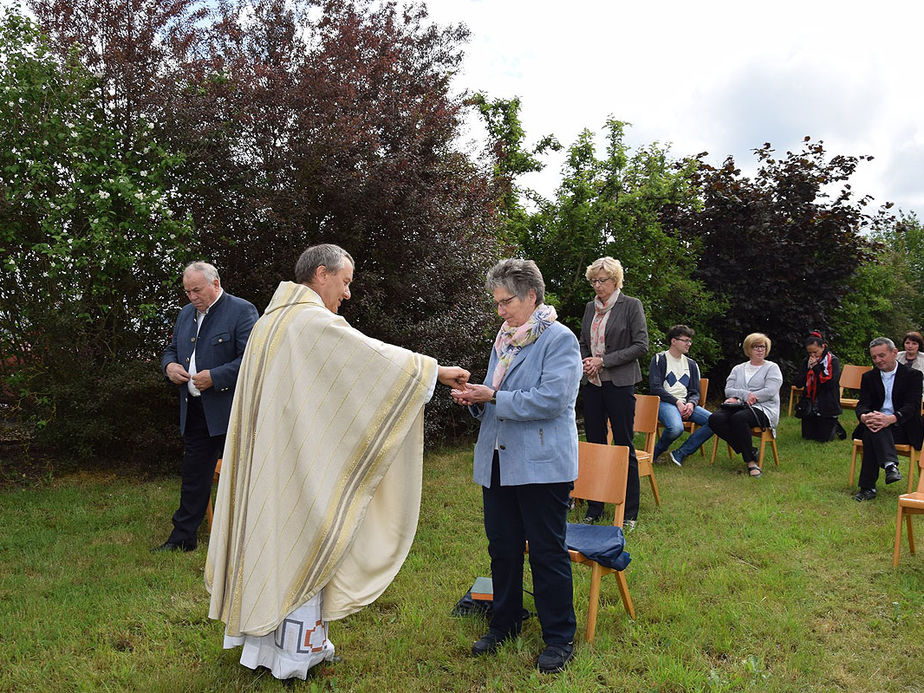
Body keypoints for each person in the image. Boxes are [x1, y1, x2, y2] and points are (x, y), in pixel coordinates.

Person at [205, 244, 469, 680]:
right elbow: (370, 358)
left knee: (271, 541)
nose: (347, 293)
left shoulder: (272, 322)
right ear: (322, 274)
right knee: (302, 535)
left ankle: (263, 649)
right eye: (345, 282)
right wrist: (434, 371)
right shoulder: (308, 322)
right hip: (293, 463)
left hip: (274, 458)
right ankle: (293, 658)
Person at [450, 258, 581, 675]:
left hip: (543, 465)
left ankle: (559, 637)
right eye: (497, 303)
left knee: (546, 552)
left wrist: (491, 397)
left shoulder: (560, 339)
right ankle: (504, 623)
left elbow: (551, 400)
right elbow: (497, 394)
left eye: (506, 302)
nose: (500, 311)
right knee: (503, 550)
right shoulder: (505, 338)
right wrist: (475, 397)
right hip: (498, 461)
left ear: (531, 297)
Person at [155, 262, 259, 552]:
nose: (191, 297)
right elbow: (172, 350)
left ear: (215, 284)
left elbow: (252, 359)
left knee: (244, 475)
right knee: (194, 476)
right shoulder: (185, 314)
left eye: (197, 290)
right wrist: (170, 366)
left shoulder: (242, 311)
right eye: (187, 291)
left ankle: (249, 538)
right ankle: (183, 538)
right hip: (196, 411)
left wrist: (215, 377)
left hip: (232, 411)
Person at [579, 256, 648, 528]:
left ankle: (629, 511)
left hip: (619, 384)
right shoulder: (589, 308)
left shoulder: (631, 305)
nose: (597, 285)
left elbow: (641, 345)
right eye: (593, 280)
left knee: (623, 445)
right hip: (593, 385)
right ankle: (595, 508)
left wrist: (603, 361)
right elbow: (584, 341)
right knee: (595, 445)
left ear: (616, 280)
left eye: (602, 280)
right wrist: (587, 360)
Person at [852, 337, 924, 502]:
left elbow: (912, 406)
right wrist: (864, 417)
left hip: (903, 426)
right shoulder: (869, 377)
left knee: (873, 431)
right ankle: (890, 465)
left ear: (894, 353)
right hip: (877, 423)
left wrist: (891, 418)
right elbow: (862, 404)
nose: (878, 360)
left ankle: (867, 488)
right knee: (874, 427)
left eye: (882, 355)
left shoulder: (913, 375)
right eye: (874, 357)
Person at [707, 333, 782, 478]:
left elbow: (770, 391)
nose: (760, 350)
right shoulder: (738, 368)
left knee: (739, 419)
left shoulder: (772, 368)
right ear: (748, 349)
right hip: (738, 406)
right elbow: (728, 390)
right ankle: (750, 450)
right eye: (756, 347)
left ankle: (751, 462)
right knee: (714, 419)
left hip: (764, 408)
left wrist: (748, 397)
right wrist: (744, 396)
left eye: (763, 347)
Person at [649, 324, 714, 466]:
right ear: (673, 341)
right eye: (685, 340)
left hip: (686, 404)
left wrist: (691, 403)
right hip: (665, 403)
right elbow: (655, 388)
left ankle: (681, 453)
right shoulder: (660, 359)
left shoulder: (691, 364)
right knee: (676, 428)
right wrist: (677, 402)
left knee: (715, 421)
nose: (689, 344)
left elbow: (695, 391)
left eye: (690, 341)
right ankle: (654, 453)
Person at [795, 331, 846, 442]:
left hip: (827, 401)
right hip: (810, 402)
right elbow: (798, 383)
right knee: (807, 437)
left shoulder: (833, 361)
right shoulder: (806, 361)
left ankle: (835, 424)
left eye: (815, 352)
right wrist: (807, 369)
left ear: (823, 347)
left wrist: (816, 368)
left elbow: (830, 384)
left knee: (824, 439)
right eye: (810, 353)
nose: (812, 355)